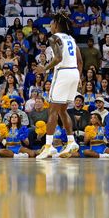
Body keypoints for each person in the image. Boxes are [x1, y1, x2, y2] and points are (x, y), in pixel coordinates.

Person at [37, 14, 82, 159]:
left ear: (56, 25)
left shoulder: (54, 38)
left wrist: (44, 68)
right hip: (74, 72)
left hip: (62, 73)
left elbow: (58, 58)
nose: (50, 27)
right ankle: (71, 141)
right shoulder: (71, 39)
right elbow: (80, 61)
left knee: (52, 110)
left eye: (51, 24)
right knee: (63, 110)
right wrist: (79, 77)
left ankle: (49, 147)